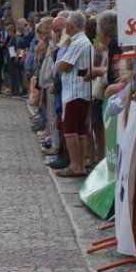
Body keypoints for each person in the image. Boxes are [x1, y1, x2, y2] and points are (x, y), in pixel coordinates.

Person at [55, 11, 93, 178]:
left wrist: (59, 62)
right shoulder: (83, 41)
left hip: (75, 91)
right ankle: (80, 164)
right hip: (81, 90)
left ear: (70, 25)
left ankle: (75, 165)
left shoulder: (78, 42)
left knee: (70, 128)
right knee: (80, 129)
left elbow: (64, 65)